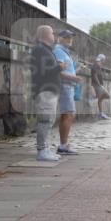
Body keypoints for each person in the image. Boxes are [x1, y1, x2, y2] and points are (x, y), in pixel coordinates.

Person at [30, 25, 63, 161]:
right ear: (44, 35)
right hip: (45, 91)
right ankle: (42, 150)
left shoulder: (45, 50)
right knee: (45, 121)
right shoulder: (40, 50)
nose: (54, 35)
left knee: (48, 120)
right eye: (51, 33)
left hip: (49, 91)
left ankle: (45, 148)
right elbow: (42, 71)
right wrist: (59, 67)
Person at [53, 30, 83, 155]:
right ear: (59, 38)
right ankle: (63, 146)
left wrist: (76, 70)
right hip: (65, 86)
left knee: (68, 114)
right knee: (68, 114)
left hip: (68, 86)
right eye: (66, 37)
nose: (69, 39)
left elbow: (65, 69)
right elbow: (58, 71)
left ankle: (63, 144)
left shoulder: (64, 52)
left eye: (71, 37)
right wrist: (74, 78)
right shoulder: (59, 51)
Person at [91, 53, 111, 119]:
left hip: (98, 84)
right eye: (103, 60)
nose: (104, 61)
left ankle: (101, 114)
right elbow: (94, 75)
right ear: (101, 59)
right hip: (97, 85)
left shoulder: (98, 65)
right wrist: (99, 84)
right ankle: (94, 98)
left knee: (100, 99)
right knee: (107, 95)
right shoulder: (96, 65)